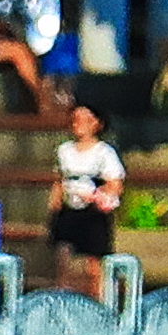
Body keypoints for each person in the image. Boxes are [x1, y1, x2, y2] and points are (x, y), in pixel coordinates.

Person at [47, 99, 125, 296]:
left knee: (94, 264)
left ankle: (97, 298)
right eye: (76, 119)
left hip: (93, 209)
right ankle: (63, 299)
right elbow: (60, 179)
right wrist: (54, 205)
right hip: (69, 207)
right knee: (63, 259)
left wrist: (100, 198)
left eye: (85, 119)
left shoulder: (104, 152)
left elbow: (115, 183)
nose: (78, 124)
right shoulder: (64, 150)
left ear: (97, 124)